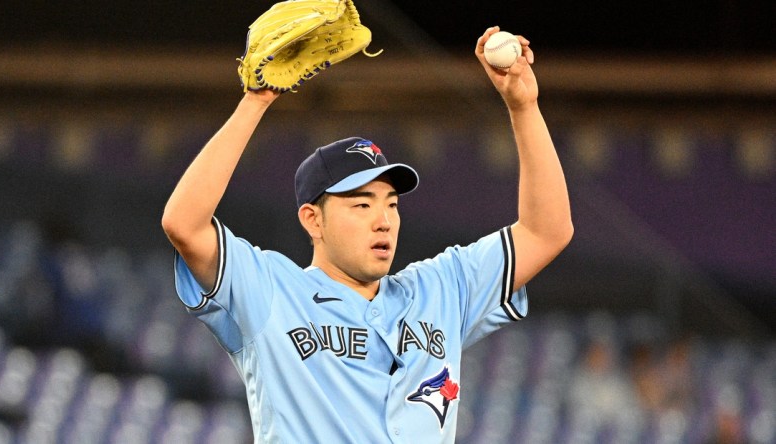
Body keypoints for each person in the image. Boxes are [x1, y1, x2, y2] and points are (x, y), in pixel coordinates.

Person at [162, 26, 573, 443]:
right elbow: (184, 224)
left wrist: (524, 108)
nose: (384, 220)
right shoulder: (271, 291)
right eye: (362, 205)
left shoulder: (441, 289)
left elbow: (547, 232)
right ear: (312, 219)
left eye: (391, 204)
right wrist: (256, 101)